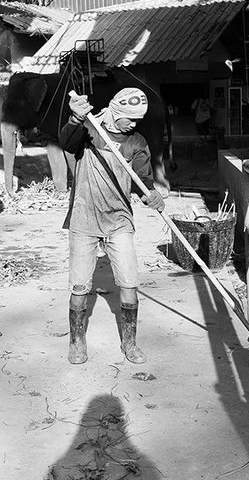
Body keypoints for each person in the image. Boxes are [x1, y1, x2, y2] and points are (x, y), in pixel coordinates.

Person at [59, 88, 165, 365]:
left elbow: (144, 180)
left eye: (137, 119)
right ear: (116, 111)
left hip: (119, 220)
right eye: (129, 119)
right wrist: (74, 118)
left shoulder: (137, 141)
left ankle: (129, 343)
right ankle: (77, 342)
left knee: (129, 282)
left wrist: (150, 195)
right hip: (84, 217)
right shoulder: (90, 128)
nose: (133, 124)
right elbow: (67, 144)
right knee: (80, 286)